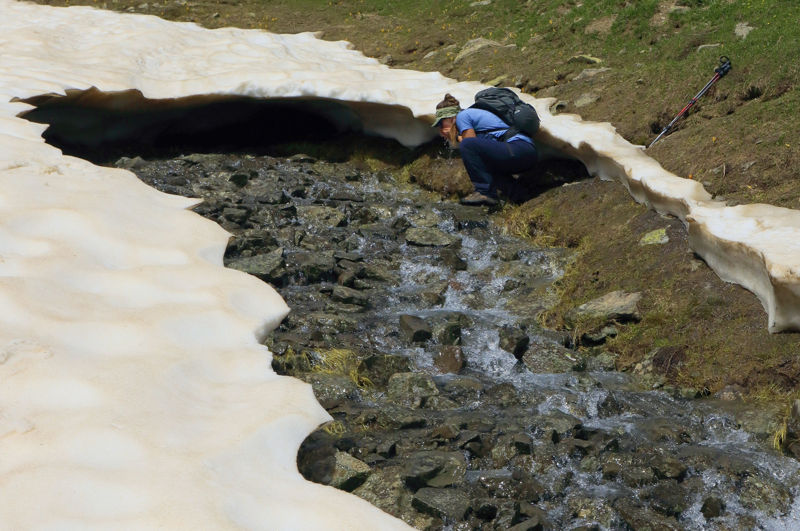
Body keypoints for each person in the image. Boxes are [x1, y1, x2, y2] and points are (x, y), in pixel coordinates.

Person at [432, 93, 538, 206]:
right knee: (485, 165)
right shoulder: (470, 119)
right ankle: (520, 196)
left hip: (519, 149)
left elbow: (470, 144)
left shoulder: (463, 116)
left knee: (469, 146)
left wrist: (457, 138)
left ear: (450, 117)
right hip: (524, 153)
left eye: (441, 124)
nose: (441, 130)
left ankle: (484, 192)